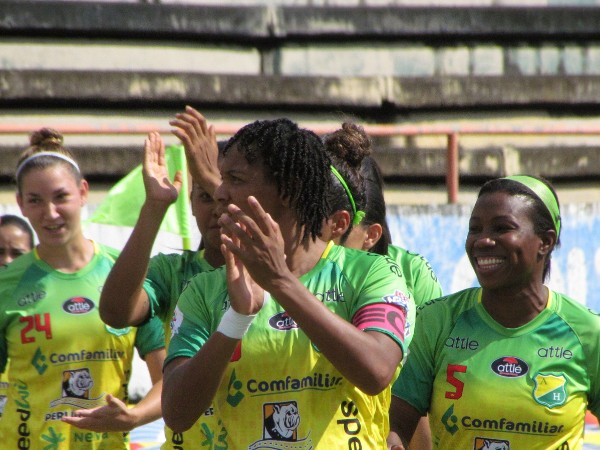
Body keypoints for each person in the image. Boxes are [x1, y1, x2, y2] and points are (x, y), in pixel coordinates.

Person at [162, 118, 415, 449]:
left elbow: (377, 371)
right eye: (222, 179)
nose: (219, 193)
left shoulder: (371, 273)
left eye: (235, 179)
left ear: (288, 189)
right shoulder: (205, 290)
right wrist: (236, 319)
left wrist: (280, 281)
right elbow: (176, 414)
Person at [389, 175, 600, 449]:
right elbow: (396, 425)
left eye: (502, 228)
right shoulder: (437, 321)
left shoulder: (587, 333)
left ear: (545, 242)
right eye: (475, 229)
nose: (483, 241)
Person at [0, 128, 166, 449]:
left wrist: (134, 416)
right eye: (35, 200)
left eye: (61, 197)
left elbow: (169, 379)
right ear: (20, 203)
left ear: (83, 192)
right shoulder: (7, 283)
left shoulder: (126, 272)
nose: (50, 213)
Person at [98, 109, 227, 449]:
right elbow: (115, 312)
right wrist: (154, 208)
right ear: (190, 203)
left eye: (224, 195)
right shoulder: (173, 272)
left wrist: (211, 178)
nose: (217, 208)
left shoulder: (277, 271)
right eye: (205, 196)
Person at [321, 123, 441, 450]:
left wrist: (395, 430)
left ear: (371, 235)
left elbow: (420, 386)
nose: (322, 243)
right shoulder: (291, 272)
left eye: (338, 232)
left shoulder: (410, 272)